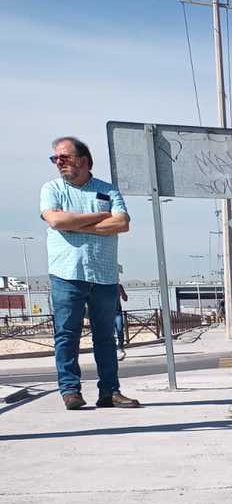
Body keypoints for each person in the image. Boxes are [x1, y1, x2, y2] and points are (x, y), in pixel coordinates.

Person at [39, 136, 140, 410]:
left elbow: (122, 223)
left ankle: (110, 392)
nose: (58, 162)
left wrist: (75, 223)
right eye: (55, 158)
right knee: (67, 335)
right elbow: (56, 220)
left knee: (105, 337)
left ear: (83, 160)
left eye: (64, 157)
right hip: (67, 274)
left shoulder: (108, 190)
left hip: (104, 275)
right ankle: (70, 391)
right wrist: (100, 217)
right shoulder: (52, 189)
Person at [115, 283, 128, 361]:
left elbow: (125, 299)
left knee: (120, 330)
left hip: (118, 313)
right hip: (107, 313)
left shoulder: (119, 286)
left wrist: (121, 292)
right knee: (109, 333)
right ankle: (113, 351)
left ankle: (121, 349)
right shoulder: (104, 286)